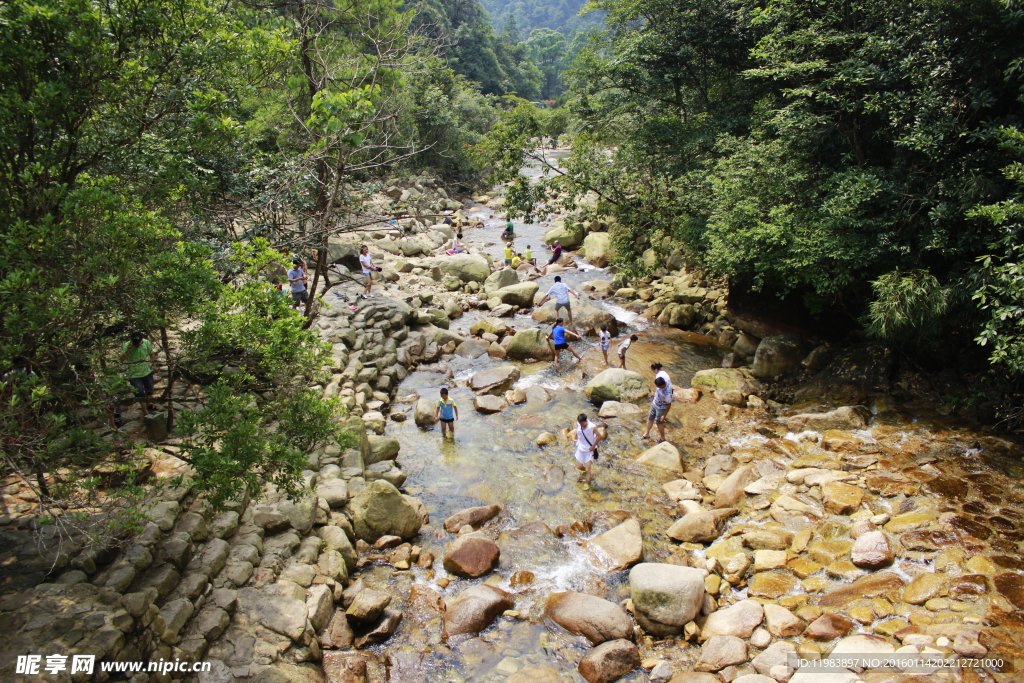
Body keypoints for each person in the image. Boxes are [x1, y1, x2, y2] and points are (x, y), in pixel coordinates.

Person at [120, 333, 159, 415]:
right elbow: (121, 359)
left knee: (150, 391)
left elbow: (151, 354)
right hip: (134, 375)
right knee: (140, 394)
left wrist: (154, 365)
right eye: (135, 344)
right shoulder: (126, 346)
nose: (137, 345)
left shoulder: (146, 342)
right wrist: (127, 350)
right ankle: (145, 412)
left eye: (138, 343)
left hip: (146, 372)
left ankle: (149, 404)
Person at [572, 413, 603, 489]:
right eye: (580, 423)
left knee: (588, 468)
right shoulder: (579, 424)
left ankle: (587, 483)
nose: (582, 425)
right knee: (579, 467)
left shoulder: (592, 427)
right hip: (581, 449)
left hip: (589, 450)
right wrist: (575, 439)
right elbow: (578, 432)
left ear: (586, 421)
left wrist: (593, 446)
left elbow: (600, 436)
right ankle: (585, 472)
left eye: (583, 424)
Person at [641, 375, 674, 443]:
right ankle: (647, 434)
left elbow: (669, 404)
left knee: (659, 423)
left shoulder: (667, 393)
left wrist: (664, 415)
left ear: (662, 385)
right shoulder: (664, 382)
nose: (657, 387)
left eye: (658, 386)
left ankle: (662, 438)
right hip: (654, 404)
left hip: (661, 408)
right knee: (650, 418)